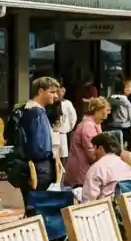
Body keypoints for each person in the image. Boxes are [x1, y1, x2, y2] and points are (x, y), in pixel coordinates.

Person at [8, 77, 59, 207]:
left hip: (28, 165)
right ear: (41, 91)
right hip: (38, 167)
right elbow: (39, 147)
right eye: (52, 92)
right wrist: (52, 156)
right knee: (38, 206)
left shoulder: (25, 109)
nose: (56, 95)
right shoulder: (37, 113)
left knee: (31, 204)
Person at [80, 132, 131, 202]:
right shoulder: (125, 163)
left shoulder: (97, 168)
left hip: (105, 209)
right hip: (127, 204)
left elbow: (88, 200)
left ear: (100, 148)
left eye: (94, 148)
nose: (93, 152)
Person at [64, 98, 109, 189]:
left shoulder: (94, 123)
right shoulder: (88, 126)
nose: (105, 117)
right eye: (103, 113)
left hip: (83, 171)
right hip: (82, 174)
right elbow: (92, 155)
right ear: (95, 111)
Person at [52, 84, 77, 170]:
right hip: (52, 134)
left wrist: (68, 128)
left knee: (62, 158)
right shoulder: (50, 104)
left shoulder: (67, 103)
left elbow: (73, 117)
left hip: (62, 133)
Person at [107, 79, 131, 149]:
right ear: (125, 88)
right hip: (124, 125)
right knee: (125, 145)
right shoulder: (125, 100)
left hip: (114, 124)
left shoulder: (112, 98)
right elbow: (130, 115)